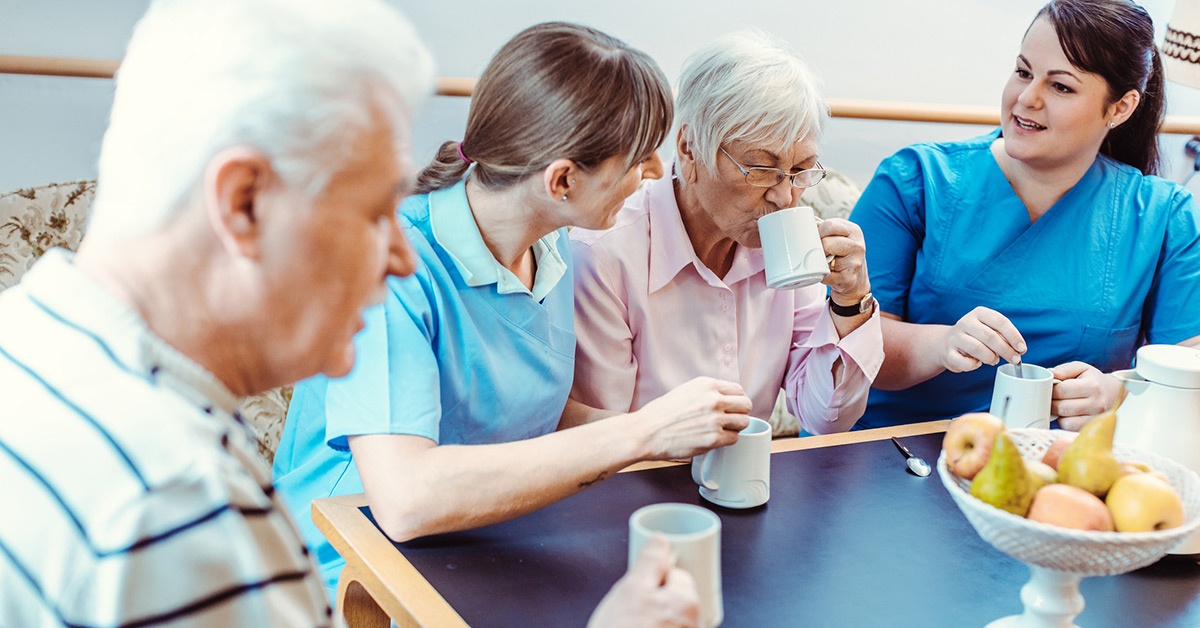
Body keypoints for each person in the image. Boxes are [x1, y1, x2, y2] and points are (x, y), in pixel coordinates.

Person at [0, 2, 701, 626]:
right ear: (243, 203)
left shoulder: (30, 339)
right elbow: (406, 500)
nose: (397, 254)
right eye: (372, 212)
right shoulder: (178, 506)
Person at [273, 21, 752, 601]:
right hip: (355, 567)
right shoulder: (395, 270)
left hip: (486, 539)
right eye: (637, 158)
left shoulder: (553, 244)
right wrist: (639, 432)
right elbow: (405, 500)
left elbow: (519, 410)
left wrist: (674, 433)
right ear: (563, 180)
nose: (654, 172)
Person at [850, 0, 1200, 430]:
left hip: (1054, 465)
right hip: (889, 452)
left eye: (1061, 87)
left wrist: (1118, 390)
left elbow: (1187, 363)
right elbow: (847, 346)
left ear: (1121, 108)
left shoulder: (1162, 217)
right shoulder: (914, 181)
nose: (1026, 99)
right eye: (1023, 72)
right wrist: (940, 344)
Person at [567, 29, 883, 435]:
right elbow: (599, 444)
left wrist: (849, 301)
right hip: (641, 491)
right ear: (689, 148)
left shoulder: (786, 245)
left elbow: (827, 417)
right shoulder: (603, 255)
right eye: (761, 169)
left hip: (749, 486)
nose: (786, 196)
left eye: (801, 170)